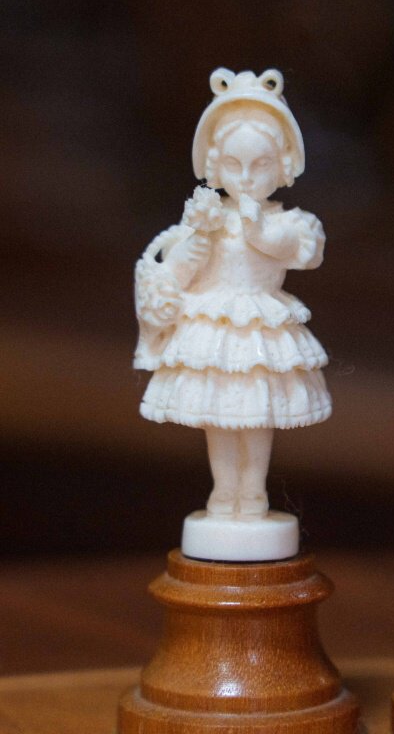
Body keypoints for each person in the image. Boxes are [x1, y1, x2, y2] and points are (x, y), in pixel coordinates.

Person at [134, 68, 330, 521]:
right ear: (214, 165)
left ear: (281, 165)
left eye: (260, 165)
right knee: (218, 415)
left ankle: (254, 489)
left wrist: (256, 226)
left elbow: (296, 251)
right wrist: (193, 248)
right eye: (233, 165)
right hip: (213, 326)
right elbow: (175, 274)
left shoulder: (288, 222)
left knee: (256, 413)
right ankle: (224, 489)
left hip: (260, 326)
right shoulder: (205, 219)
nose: (245, 178)